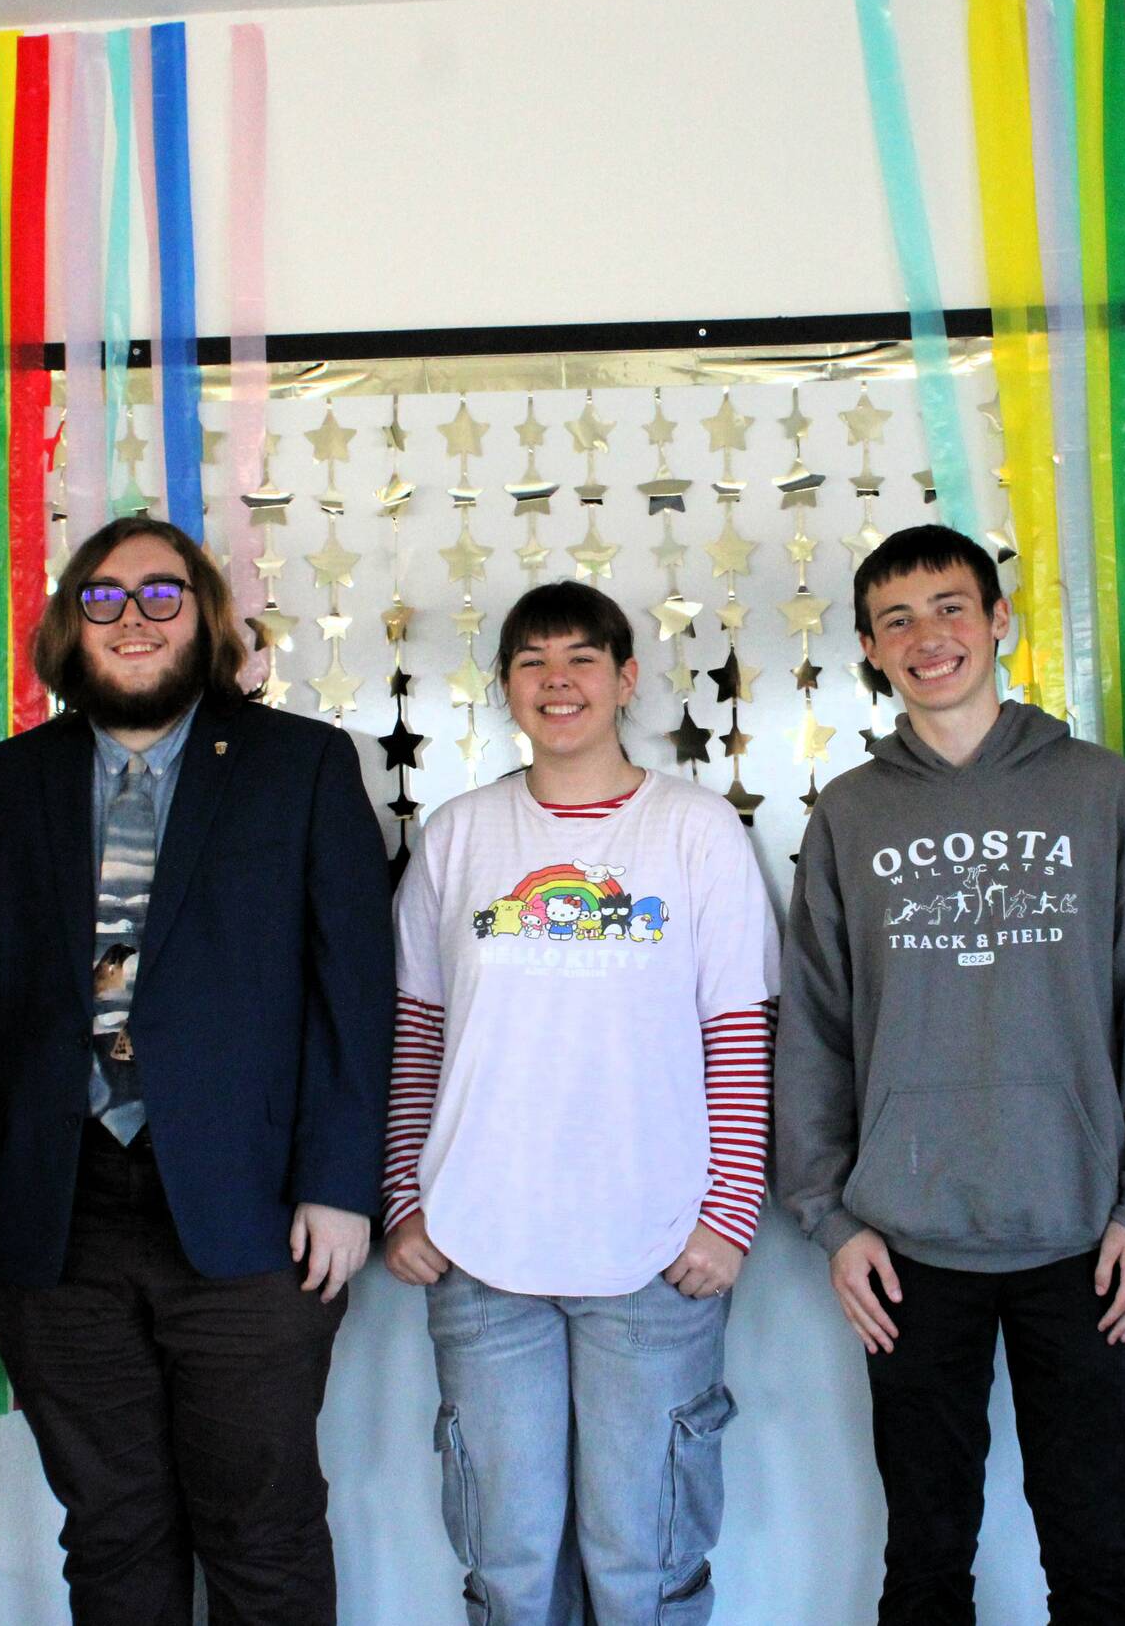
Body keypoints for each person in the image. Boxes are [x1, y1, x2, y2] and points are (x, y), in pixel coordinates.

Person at [0, 516, 393, 1626]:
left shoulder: (301, 764)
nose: (132, 619)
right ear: (67, 625)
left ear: (205, 618)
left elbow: (354, 993)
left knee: (262, 1524)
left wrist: (340, 1184)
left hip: (253, 1218)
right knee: (111, 1528)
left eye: (159, 595)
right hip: (56, 1217)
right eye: (102, 598)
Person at [776, 524, 1125, 1625]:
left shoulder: (1095, 791)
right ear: (871, 650)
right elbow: (816, 1029)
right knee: (923, 1562)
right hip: (906, 1250)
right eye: (897, 620)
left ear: (997, 618)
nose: (929, 636)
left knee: (1093, 1559)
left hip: (1085, 1243)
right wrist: (830, 1217)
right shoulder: (851, 814)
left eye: (949, 605)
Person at [382, 580, 778, 1625]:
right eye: (530, 662)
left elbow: (737, 1033)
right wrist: (400, 1197)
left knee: (641, 1568)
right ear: (506, 688)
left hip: (653, 1253)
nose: (556, 681)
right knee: (509, 1573)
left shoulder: (693, 831)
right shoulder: (458, 837)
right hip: (477, 1248)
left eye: (581, 659)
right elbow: (414, 1033)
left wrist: (727, 1210)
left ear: (625, 679)